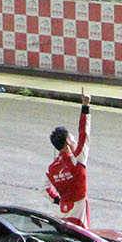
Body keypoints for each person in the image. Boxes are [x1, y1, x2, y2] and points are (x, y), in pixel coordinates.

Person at [45, 90, 91, 226]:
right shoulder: (78, 160)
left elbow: (44, 189)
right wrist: (85, 106)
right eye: (72, 137)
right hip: (79, 217)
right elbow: (84, 133)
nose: (74, 140)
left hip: (62, 215)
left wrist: (58, 200)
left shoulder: (51, 168)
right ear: (68, 142)